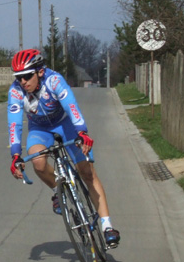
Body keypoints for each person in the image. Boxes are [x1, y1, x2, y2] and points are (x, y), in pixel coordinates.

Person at [7, 48, 120, 248]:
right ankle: (58, 191)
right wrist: (15, 155)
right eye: (19, 77)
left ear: (40, 72)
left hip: (65, 124)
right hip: (39, 129)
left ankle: (107, 225)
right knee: (38, 162)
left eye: (26, 76)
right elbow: (15, 124)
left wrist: (82, 132)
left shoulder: (54, 80)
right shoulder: (16, 91)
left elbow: (71, 106)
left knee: (86, 171)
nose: (23, 82)